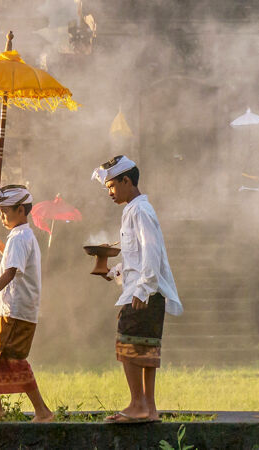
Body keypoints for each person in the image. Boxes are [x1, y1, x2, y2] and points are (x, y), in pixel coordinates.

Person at [91, 155, 183, 423]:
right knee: (144, 348)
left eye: (111, 186)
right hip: (143, 290)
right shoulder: (132, 210)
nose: (109, 192)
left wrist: (143, 289)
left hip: (145, 293)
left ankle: (137, 405)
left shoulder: (141, 211)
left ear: (126, 181)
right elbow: (136, 258)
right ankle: (148, 408)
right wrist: (112, 272)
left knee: (128, 343)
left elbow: (152, 252)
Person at [0, 185, 54, 422]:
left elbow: (12, 271)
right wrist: (0, 246)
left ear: (21, 210)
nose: (2, 216)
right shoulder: (21, 236)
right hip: (10, 310)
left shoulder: (20, 237)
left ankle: (42, 411)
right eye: (1, 211)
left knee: (9, 359)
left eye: (6, 211)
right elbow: (15, 262)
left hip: (13, 311)